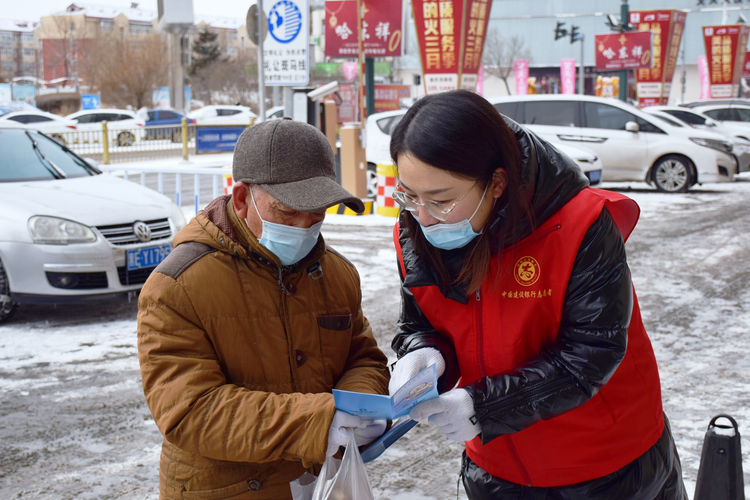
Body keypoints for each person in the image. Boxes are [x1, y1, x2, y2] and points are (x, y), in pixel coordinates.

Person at [388, 90, 686, 499]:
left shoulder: (579, 224)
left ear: (496, 182)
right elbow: (420, 321)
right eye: (408, 195)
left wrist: (485, 406)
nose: (422, 216)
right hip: (496, 468)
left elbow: (592, 352)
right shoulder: (415, 232)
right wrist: (422, 352)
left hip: (606, 467)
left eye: (441, 201)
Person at [137, 118, 389, 499]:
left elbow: (363, 358)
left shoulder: (337, 274)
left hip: (320, 482)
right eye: (288, 212)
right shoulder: (177, 286)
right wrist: (320, 422)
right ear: (241, 199)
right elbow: (189, 411)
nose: (305, 227)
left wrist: (359, 408)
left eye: (318, 213)